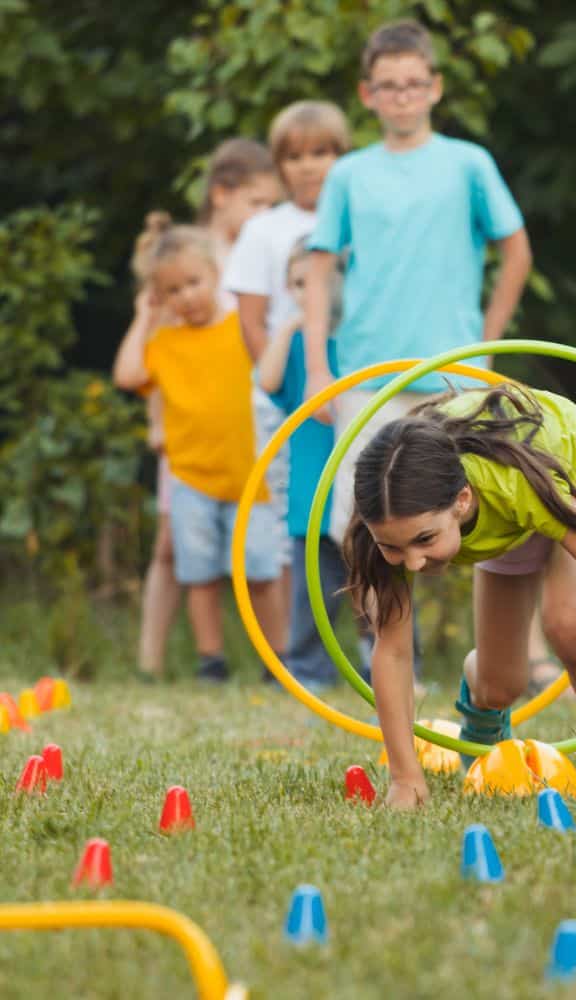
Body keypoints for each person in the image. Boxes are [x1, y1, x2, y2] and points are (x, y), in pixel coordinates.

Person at [343, 383, 576, 810]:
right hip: (507, 517)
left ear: (461, 502)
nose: (413, 564)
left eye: (425, 539)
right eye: (394, 547)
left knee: (567, 622)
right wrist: (405, 779)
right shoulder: (388, 518)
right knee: (500, 685)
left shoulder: (513, 484)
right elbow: (393, 652)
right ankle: (481, 715)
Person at [303, 18, 532, 549]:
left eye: (413, 84)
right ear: (368, 95)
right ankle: (383, 637)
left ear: (435, 86)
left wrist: (489, 343)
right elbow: (318, 271)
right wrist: (318, 369)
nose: (402, 97)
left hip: (457, 371)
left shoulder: (468, 163)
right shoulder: (349, 174)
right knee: (363, 523)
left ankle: (504, 634)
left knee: (484, 514)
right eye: (389, 86)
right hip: (367, 373)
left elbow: (516, 249)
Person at [131, 140, 282, 679]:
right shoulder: (184, 263)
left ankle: (278, 658)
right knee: (178, 551)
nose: (267, 216)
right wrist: (156, 423)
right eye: (258, 203)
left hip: (246, 445)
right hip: (189, 444)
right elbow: (150, 368)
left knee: (263, 558)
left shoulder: (254, 259)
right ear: (223, 196)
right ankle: (170, 662)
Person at [224, 102, 352, 652]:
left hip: (351, 385)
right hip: (287, 391)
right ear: (278, 165)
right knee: (295, 523)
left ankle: (369, 645)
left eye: (321, 153)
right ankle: (294, 650)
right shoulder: (264, 229)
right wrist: (281, 386)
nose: (308, 167)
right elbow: (252, 321)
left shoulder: (355, 217)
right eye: (294, 157)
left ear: (341, 157)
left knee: (352, 514)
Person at [258, 238, 345, 689]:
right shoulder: (295, 349)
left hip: (359, 490)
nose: (308, 292)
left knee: (379, 586)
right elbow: (267, 380)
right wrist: (292, 326)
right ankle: (310, 669)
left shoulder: (357, 341)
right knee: (314, 593)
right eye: (298, 284)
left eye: (319, 282)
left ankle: (388, 665)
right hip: (312, 491)